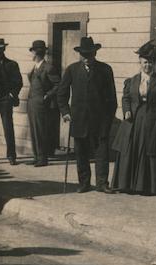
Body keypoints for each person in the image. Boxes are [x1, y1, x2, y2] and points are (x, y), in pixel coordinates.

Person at [111, 40, 156, 195]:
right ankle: (128, 185)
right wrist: (127, 110)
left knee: (152, 149)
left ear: (154, 64)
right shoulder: (132, 81)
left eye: (150, 63)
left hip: (154, 121)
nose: (148, 66)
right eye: (145, 62)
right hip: (134, 121)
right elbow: (126, 98)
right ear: (140, 62)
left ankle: (151, 187)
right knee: (130, 149)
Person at [57, 36, 117, 193]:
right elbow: (61, 94)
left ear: (95, 54)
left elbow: (112, 99)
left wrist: (108, 119)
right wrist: (65, 112)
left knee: (102, 152)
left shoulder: (105, 69)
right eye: (83, 55)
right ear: (79, 54)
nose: (87, 58)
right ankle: (83, 183)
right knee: (81, 153)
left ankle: (102, 183)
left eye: (90, 54)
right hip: (79, 119)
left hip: (100, 120)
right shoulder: (72, 70)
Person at [27, 40, 60, 167]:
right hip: (32, 103)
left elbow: (58, 84)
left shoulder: (48, 67)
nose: (32, 54)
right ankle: (36, 156)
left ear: (37, 53)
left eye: (33, 51)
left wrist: (47, 95)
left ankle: (42, 158)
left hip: (41, 104)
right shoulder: (35, 67)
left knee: (40, 131)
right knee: (33, 130)